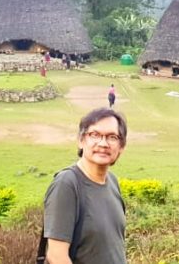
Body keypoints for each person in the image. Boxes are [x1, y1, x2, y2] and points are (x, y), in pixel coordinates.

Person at [43, 108, 128, 264]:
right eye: (95, 135)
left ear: (121, 146)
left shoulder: (113, 182)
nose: (103, 143)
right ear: (81, 140)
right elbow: (56, 256)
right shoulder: (67, 184)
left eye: (112, 137)